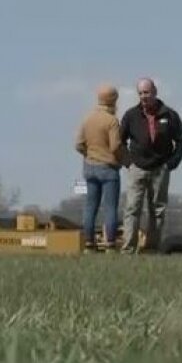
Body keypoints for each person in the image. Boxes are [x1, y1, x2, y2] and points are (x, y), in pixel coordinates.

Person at [119, 77, 182, 253]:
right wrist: (128, 163)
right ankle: (128, 249)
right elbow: (119, 142)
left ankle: (151, 249)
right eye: (140, 93)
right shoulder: (130, 115)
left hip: (160, 169)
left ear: (155, 92)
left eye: (147, 92)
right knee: (132, 209)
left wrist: (171, 164)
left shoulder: (169, 115)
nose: (143, 96)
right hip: (137, 169)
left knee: (157, 211)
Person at [75, 84, 124, 252]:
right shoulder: (111, 121)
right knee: (110, 208)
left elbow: (78, 144)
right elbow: (116, 146)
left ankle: (89, 243)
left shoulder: (87, 118)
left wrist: (89, 155)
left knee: (90, 207)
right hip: (108, 168)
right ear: (113, 100)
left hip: (89, 167)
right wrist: (123, 160)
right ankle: (110, 243)